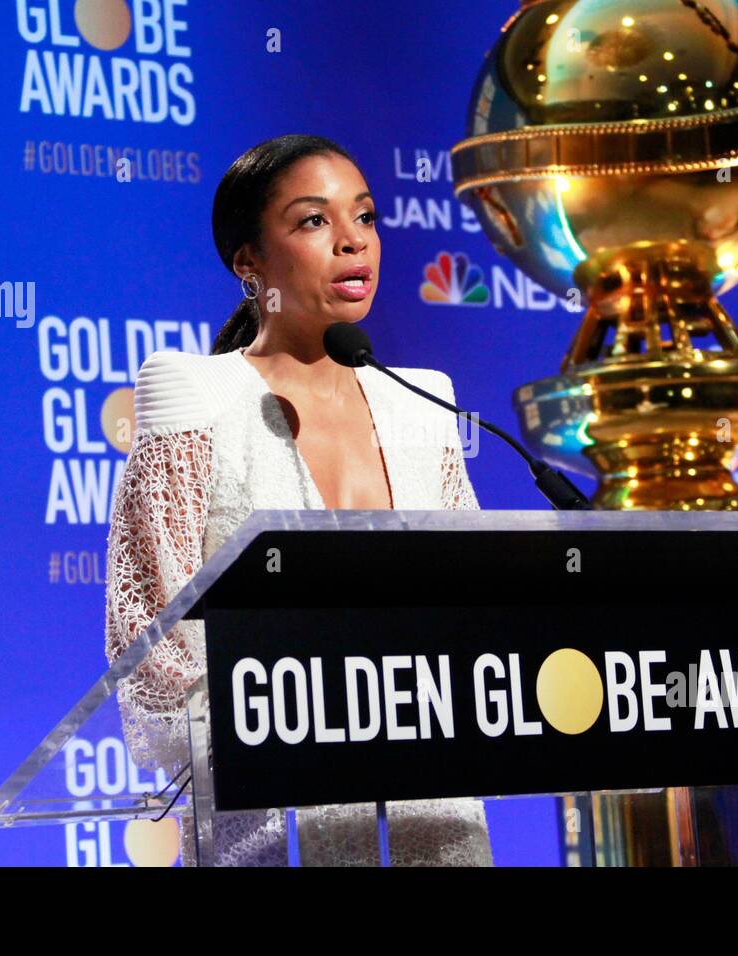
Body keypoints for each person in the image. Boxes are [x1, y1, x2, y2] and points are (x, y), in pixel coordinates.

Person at [103, 134, 492, 867]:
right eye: (314, 221)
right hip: (272, 824)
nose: (353, 242)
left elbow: (471, 604)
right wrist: (318, 713)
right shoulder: (194, 396)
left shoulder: (425, 404)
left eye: (367, 217)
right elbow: (152, 638)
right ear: (248, 262)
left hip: (438, 818)